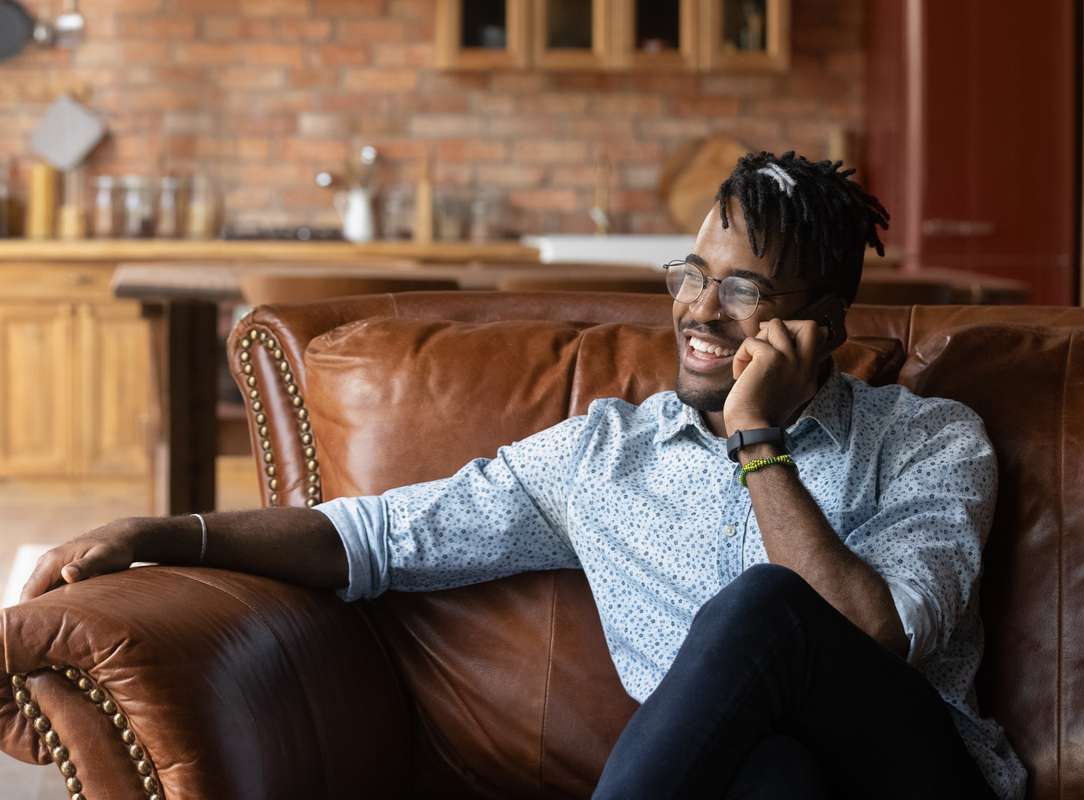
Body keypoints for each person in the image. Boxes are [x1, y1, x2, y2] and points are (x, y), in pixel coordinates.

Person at [22, 152, 1025, 799]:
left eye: (744, 288)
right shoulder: (602, 456)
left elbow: (879, 632)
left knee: (765, 603)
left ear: (824, 325)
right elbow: (377, 537)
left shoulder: (932, 439)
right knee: (770, 774)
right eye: (691, 274)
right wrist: (163, 533)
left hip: (915, 774)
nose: (701, 310)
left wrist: (757, 437)